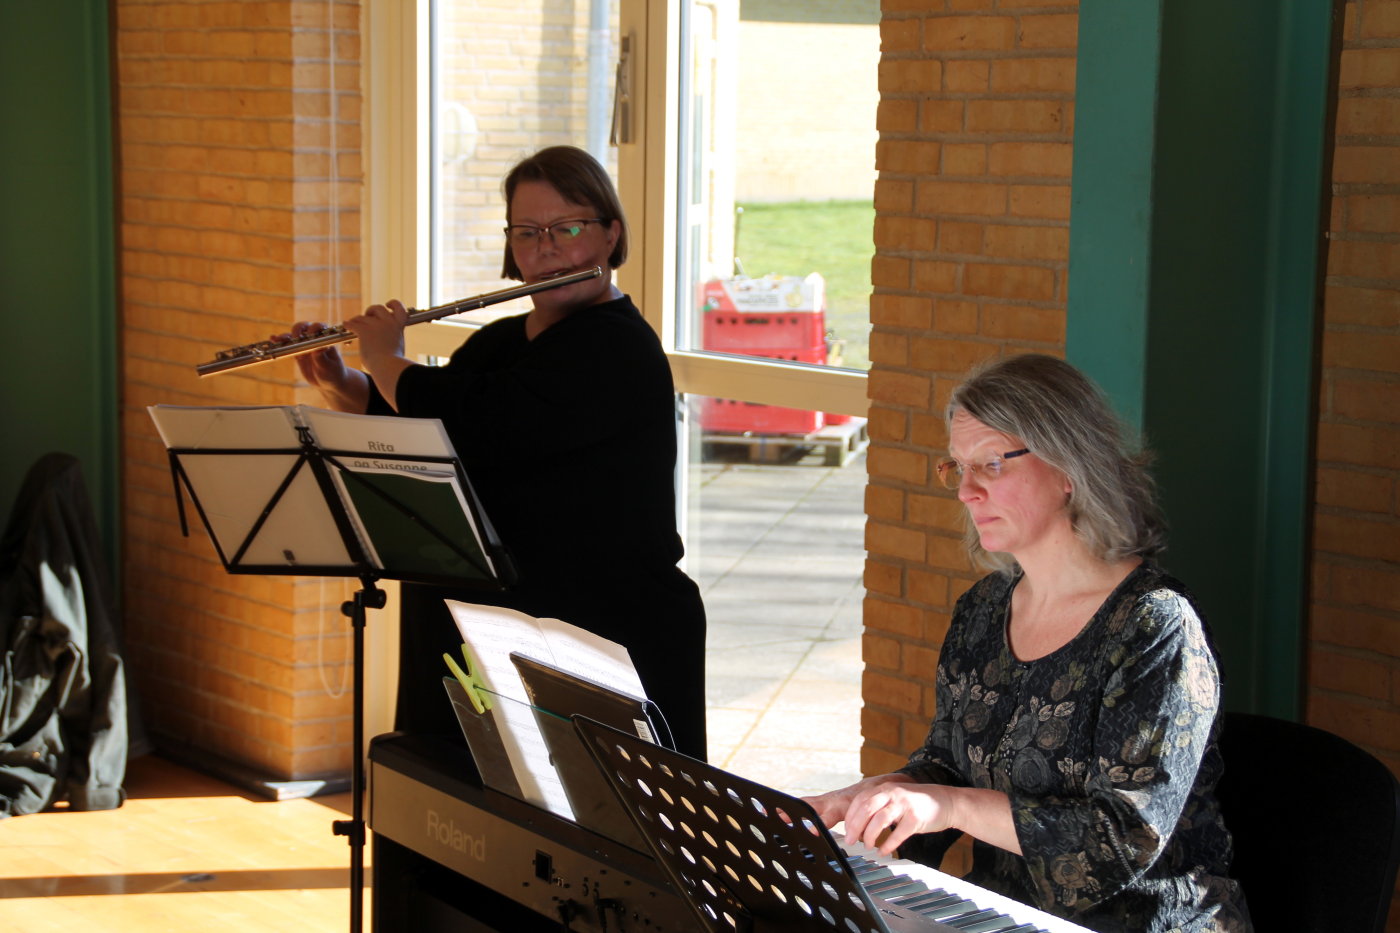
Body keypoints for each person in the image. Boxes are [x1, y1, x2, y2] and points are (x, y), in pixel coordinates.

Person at [804, 354, 1251, 932]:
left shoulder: (1156, 628)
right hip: (1001, 914)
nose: (967, 491)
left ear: (1068, 467)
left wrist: (946, 806)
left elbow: (1120, 840)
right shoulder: (984, 610)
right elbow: (948, 764)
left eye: (990, 464)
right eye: (958, 468)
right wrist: (866, 807)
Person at [289, 145, 707, 760]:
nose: (546, 249)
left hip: (601, 631)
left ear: (611, 233)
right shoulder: (499, 342)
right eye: (527, 232)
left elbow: (487, 423)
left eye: (567, 228)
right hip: (496, 621)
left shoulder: (616, 349)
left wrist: (385, 358)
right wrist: (343, 381)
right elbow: (433, 431)